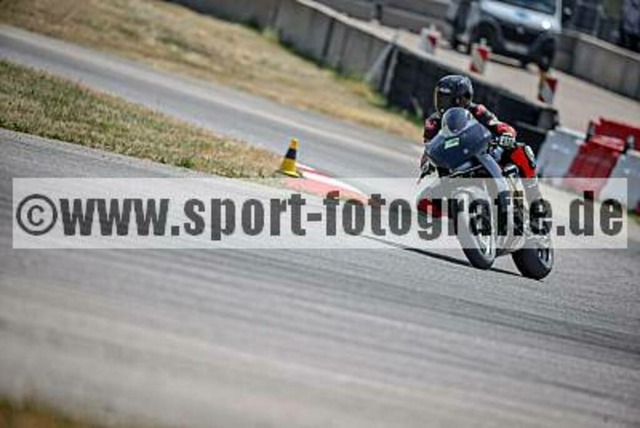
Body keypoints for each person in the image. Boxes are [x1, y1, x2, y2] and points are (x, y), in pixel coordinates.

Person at [420, 74, 541, 202]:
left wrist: (507, 135)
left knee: (521, 150)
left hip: (484, 155)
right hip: (454, 167)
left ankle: (535, 198)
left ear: (463, 99)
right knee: (424, 202)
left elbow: (498, 125)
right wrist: (427, 162)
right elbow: (429, 148)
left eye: (447, 99)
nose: (442, 103)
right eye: (440, 98)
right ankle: (453, 208)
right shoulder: (433, 122)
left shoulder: (478, 111)